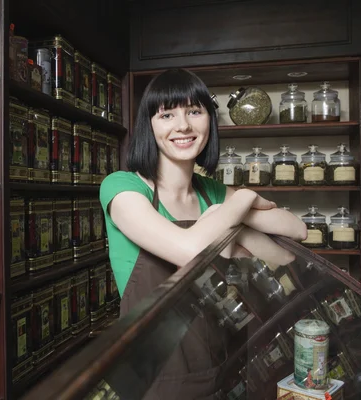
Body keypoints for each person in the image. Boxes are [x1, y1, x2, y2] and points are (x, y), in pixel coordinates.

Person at [99, 68, 307, 399]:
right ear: (148, 126)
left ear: (209, 120)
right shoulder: (123, 187)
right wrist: (240, 200)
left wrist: (235, 210)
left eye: (194, 111)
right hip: (155, 383)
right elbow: (188, 249)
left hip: (225, 369)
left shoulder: (211, 194)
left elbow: (296, 234)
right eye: (167, 114)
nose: (183, 126)